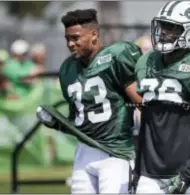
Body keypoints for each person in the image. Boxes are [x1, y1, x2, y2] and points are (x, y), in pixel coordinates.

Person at [36, 9, 142, 193]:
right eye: (67, 39)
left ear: (94, 34)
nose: (70, 44)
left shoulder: (116, 56)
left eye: (76, 38)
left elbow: (142, 103)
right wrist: (58, 123)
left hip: (116, 153)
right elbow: (78, 120)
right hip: (83, 153)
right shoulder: (68, 69)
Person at [133, 0, 190, 194]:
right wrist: (137, 170)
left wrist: (188, 173)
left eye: (172, 28)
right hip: (149, 171)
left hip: (187, 171)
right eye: (163, 26)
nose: (164, 32)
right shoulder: (146, 62)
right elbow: (147, 122)